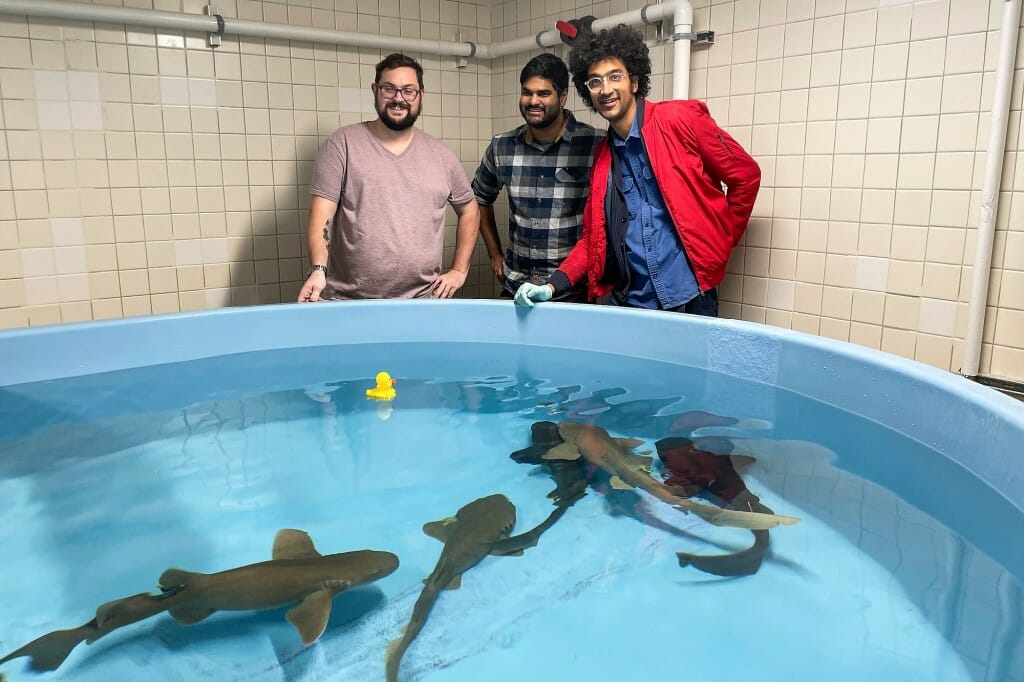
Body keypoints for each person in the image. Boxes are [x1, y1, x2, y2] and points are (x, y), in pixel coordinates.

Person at [514, 25, 760, 316]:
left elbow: (746, 176)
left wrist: (717, 242)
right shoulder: (604, 157)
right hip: (630, 302)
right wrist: (553, 285)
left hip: (688, 300)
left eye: (614, 76)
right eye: (595, 81)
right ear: (587, 91)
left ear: (634, 81)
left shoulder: (679, 120)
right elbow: (593, 241)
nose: (605, 89)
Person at [298, 53, 479, 302]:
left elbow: (470, 209)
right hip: (348, 301)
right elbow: (322, 213)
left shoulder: (441, 155)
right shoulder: (343, 144)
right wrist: (319, 270)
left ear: (421, 95)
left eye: (408, 91)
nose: (398, 98)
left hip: (422, 302)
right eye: (389, 89)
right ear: (375, 90)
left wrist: (459, 271)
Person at [471, 53, 604, 301]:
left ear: (562, 97)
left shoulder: (594, 144)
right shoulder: (503, 146)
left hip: (571, 292)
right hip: (516, 288)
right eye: (526, 92)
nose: (533, 101)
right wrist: (494, 254)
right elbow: (478, 197)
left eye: (543, 93)